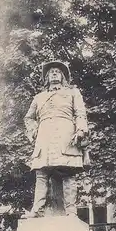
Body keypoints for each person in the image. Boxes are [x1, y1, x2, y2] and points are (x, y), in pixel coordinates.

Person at [24, 60, 88, 217]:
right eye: (51, 71)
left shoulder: (73, 93)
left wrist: (80, 130)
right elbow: (29, 118)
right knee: (41, 174)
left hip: (66, 135)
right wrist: (33, 131)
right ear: (46, 77)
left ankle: (71, 210)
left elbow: (80, 113)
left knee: (68, 173)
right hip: (44, 137)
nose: (54, 73)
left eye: (57, 71)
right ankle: (37, 210)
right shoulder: (39, 97)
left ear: (63, 76)